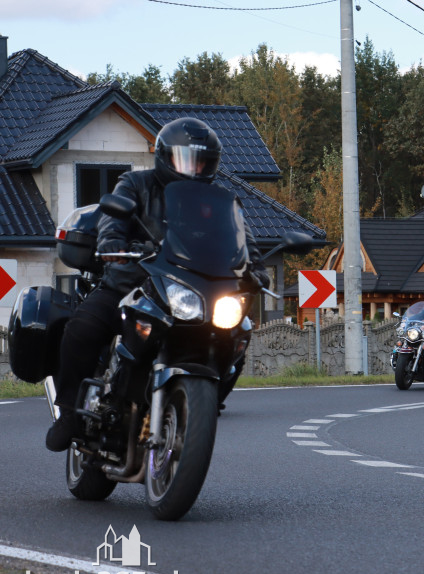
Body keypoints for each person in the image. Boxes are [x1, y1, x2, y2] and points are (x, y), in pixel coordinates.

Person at [45, 117, 269, 452]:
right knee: (83, 328)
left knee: (240, 329)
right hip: (132, 282)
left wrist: (258, 270)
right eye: (186, 159)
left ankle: (207, 399)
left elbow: (243, 239)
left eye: (202, 161)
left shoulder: (219, 200)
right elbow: (113, 219)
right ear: (165, 156)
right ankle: (68, 413)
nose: (194, 168)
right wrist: (111, 245)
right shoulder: (136, 184)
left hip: (191, 289)